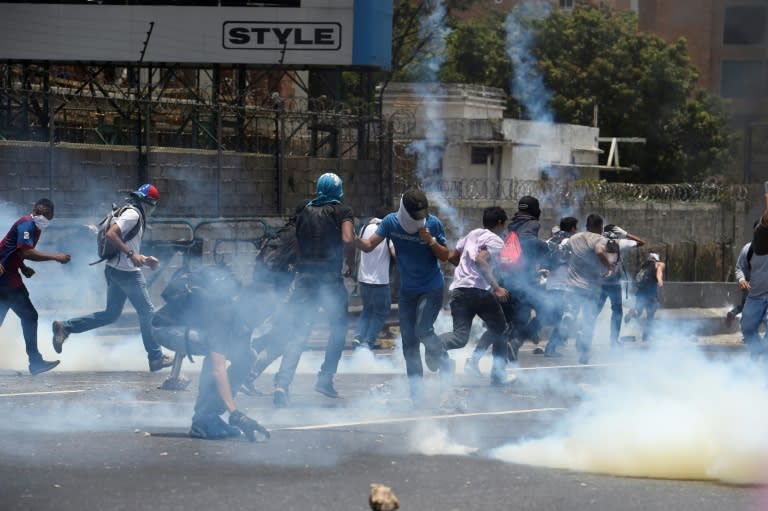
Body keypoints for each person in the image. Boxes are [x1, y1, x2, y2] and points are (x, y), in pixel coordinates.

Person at [51, 184, 174, 372]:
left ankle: (66, 328)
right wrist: (132, 254)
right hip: (127, 273)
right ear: (147, 202)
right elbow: (111, 234)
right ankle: (156, 357)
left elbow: (124, 241)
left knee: (111, 314)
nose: (151, 209)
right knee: (147, 312)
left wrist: (144, 258)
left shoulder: (125, 211)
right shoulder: (133, 214)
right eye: (152, 204)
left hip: (113, 270)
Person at [150, 265, 269, 441]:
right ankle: (202, 420)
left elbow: (242, 354)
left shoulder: (242, 313)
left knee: (247, 355)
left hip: (189, 328)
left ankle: (212, 414)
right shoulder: (224, 316)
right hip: (164, 329)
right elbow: (218, 368)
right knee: (214, 351)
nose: (263, 316)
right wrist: (235, 412)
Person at [355, 188, 452, 402]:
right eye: (416, 216)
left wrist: (431, 241)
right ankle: (416, 392)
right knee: (409, 341)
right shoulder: (391, 222)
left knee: (423, 330)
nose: (420, 219)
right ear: (405, 212)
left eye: (422, 215)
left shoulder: (432, 224)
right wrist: (351, 238)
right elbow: (369, 245)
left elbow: (445, 256)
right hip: (407, 292)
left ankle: (445, 362)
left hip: (431, 288)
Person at [268, 172, 355, 407]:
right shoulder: (342, 211)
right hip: (329, 280)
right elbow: (348, 239)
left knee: (298, 332)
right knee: (338, 329)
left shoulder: (302, 210)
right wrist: (351, 262)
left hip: (305, 278)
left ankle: (282, 383)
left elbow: (291, 238)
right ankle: (325, 378)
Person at [440, 207, 515, 386]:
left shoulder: (471, 234)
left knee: (460, 337)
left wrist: (464, 271)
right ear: (499, 223)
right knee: (501, 329)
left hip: (459, 290)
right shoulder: (496, 240)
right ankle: (498, 376)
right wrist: (497, 287)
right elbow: (480, 260)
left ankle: (433, 343)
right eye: (503, 225)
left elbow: (452, 257)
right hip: (479, 292)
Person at [0, 198, 71, 375]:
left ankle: (35, 361)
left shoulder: (34, 227)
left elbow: (15, 250)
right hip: (5, 278)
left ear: (52, 215)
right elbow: (26, 251)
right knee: (30, 316)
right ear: (34, 211)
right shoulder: (27, 225)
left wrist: (22, 267)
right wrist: (56, 257)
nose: (42, 217)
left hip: (9, 275)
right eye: (39, 213)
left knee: (25, 316)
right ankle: (35, 362)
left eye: (46, 215)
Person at [553, 213, 613, 364]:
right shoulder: (599, 239)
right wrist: (609, 266)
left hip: (572, 285)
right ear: (600, 227)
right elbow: (600, 252)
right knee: (589, 319)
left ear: (586, 226)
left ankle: (569, 318)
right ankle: (584, 353)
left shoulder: (574, 238)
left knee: (571, 311)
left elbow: (560, 251)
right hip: (591, 287)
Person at [500, 196, 548, 359]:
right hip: (523, 282)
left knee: (514, 320)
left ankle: (501, 361)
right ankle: (516, 343)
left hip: (508, 279)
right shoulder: (532, 223)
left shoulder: (512, 224)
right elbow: (528, 241)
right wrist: (547, 247)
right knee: (548, 311)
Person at [352, 206, 395, 351]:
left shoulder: (364, 228)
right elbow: (393, 253)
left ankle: (358, 337)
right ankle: (369, 342)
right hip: (380, 280)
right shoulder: (387, 230)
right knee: (382, 311)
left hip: (364, 278)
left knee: (367, 310)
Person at [596, 224, 646, 349]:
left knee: (594, 310)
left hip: (599, 281)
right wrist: (626, 233)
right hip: (613, 283)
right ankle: (613, 341)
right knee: (617, 311)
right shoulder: (620, 242)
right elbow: (641, 243)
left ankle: (585, 335)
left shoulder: (597, 240)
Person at [539, 217, 578, 357]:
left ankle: (552, 345)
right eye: (576, 227)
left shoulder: (551, 240)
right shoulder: (572, 241)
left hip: (551, 283)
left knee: (555, 317)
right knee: (564, 317)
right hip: (565, 284)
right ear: (573, 228)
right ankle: (550, 347)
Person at [625, 252, 665, 342]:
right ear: (657, 259)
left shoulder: (644, 266)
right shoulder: (659, 264)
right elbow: (659, 271)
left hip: (640, 293)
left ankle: (632, 313)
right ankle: (646, 337)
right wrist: (660, 279)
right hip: (651, 295)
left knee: (638, 312)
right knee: (650, 316)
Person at [726, 239, 752, 328]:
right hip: (750, 286)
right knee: (748, 309)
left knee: (745, 307)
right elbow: (739, 267)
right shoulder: (748, 248)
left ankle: (733, 312)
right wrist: (742, 280)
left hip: (755, 286)